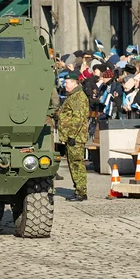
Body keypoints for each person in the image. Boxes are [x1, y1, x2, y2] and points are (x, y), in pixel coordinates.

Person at [57, 71, 90, 201]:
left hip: (76, 137)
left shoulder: (78, 97)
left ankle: (81, 192)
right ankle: (78, 189)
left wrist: (71, 136)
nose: (65, 85)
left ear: (74, 83)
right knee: (73, 164)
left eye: (67, 82)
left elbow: (78, 118)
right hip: (72, 137)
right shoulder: (72, 96)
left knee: (77, 164)